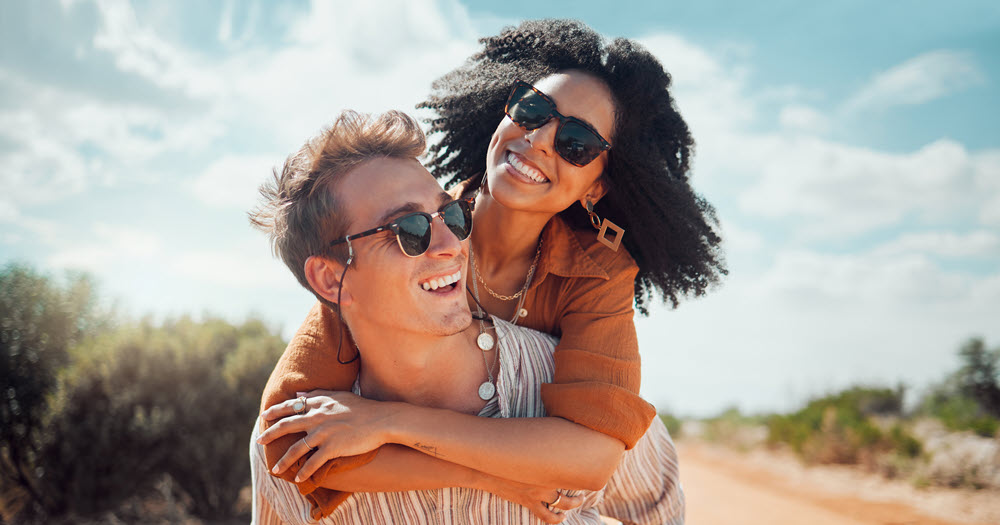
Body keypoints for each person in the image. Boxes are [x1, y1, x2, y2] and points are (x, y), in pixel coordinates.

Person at [255, 18, 724, 520]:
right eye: (532, 109)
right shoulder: (412, 236)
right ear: (503, 112)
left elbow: (591, 458)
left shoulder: (599, 271)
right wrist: (491, 478)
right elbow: (290, 445)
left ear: (595, 187)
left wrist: (389, 421)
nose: (540, 139)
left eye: (577, 144)